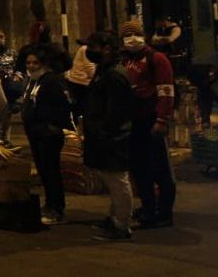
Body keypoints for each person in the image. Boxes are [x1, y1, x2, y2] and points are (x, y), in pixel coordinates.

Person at [119, 20, 177, 229]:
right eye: (127, 36)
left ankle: (164, 212)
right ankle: (148, 207)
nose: (132, 39)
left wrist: (162, 119)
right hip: (134, 122)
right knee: (140, 168)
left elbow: (166, 91)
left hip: (152, 120)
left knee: (160, 168)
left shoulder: (157, 59)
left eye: (135, 34)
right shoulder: (125, 60)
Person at [81, 30, 136, 242]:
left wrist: (103, 131)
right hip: (103, 135)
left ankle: (122, 224)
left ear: (106, 49)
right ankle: (115, 218)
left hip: (114, 137)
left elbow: (116, 112)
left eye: (93, 47)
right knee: (111, 178)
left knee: (118, 180)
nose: (89, 52)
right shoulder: (103, 71)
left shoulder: (114, 74)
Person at [20, 44, 73, 225]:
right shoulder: (32, 82)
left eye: (35, 62)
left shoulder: (50, 81)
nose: (31, 66)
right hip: (35, 133)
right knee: (43, 171)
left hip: (47, 134)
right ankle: (49, 204)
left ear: (43, 64)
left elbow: (61, 106)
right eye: (28, 62)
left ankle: (57, 208)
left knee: (51, 171)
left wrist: (53, 126)